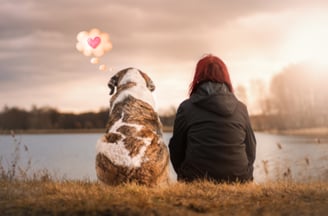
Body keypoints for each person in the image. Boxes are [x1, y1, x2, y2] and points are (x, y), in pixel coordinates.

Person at [169, 54, 256, 183]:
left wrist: (184, 174)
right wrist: (243, 173)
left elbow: (176, 150)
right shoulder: (241, 108)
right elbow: (251, 149)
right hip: (239, 178)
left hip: (195, 179)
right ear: (225, 77)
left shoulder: (186, 108)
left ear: (197, 77)